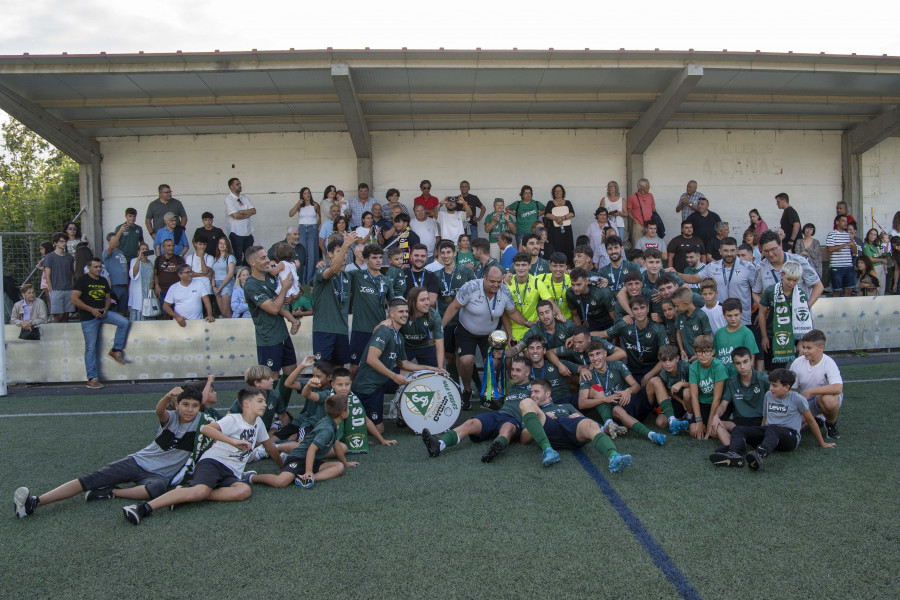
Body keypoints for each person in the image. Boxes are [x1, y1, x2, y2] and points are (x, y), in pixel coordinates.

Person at [14, 385, 204, 519]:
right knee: (90, 479)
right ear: (177, 405)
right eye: (185, 404)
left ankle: (109, 493)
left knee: (157, 489)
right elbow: (159, 410)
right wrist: (168, 395)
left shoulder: (203, 421)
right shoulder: (170, 418)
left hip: (159, 475)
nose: (190, 410)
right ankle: (34, 502)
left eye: (194, 406)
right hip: (137, 462)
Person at [121, 387, 283, 524]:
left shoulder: (258, 423)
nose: (264, 405)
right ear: (246, 404)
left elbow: (270, 447)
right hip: (213, 462)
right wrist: (232, 442)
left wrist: (283, 467)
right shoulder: (234, 419)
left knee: (243, 491)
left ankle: (185, 495)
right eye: (260, 401)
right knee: (200, 491)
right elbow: (207, 429)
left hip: (232, 472)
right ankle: (142, 508)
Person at [441, 264, 533, 409]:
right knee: (466, 361)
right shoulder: (470, 287)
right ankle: (466, 390)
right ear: (484, 278)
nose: (496, 285)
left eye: (499, 281)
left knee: (494, 361)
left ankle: (488, 394)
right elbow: (454, 307)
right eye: (492, 281)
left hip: (490, 334)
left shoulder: (504, 291)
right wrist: (441, 328)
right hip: (466, 331)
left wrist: (528, 323)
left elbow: (512, 313)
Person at [709, 368, 834, 471]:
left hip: (790, 438)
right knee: (739, 429)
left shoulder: (797, 399)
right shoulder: (769, 395)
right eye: (771, 385)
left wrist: (822, 443)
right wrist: (760, 433)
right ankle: (734, 453)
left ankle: (760, 455)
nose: (771, 388)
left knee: (773, 428)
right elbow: (765, 417)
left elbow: (811, 421)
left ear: (787, 387)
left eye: (775, 386)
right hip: (770, 432)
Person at [421, 355, 536, 463]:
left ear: (527, 372)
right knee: (470, 423)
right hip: (499, 415)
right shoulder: (513, 387)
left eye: (518, 370)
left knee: (507, 427)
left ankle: (496, 447)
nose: (514, 373)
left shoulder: (534, 389)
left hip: (514, 421)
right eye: (513, 369)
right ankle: (439, 445)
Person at [353, 298, 444, 431]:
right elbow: (371, 359)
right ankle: (351, 420)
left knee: (415, 377)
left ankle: (407, 415)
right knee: (379, 430)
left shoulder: (399, 336)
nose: (405, 314)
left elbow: (403, 363)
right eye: (401, 311)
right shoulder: (384, 331)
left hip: (382, 383)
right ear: (391, 314)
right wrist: (394, 376)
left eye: (406, 311)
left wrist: (428, 368)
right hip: (368, 386)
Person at [517, 379, 633, 472]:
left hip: (571, 428)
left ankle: (614, 456)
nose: (532, 395)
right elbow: (523, 438)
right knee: (525, 402)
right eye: (531, 392)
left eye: (536, 391)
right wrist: (540, 420)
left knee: (591, 424)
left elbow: (585, 420)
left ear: (547, 393)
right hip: (549, 428)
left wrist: (577, 417)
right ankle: (548, 451)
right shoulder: (533, 412)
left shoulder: (566, 406)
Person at [246, 394, 356, 488]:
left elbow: (335, 443)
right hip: (299, 458)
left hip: (313, 460)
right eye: (348, 407)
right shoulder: (327, 430)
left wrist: (345, 463)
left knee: (339, 467)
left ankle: (306, 478)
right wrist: (309, 470)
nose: (349, 409)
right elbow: (311, 450)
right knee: (280, 482)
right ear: (342, 413)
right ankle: (251, 477)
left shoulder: (333, 423)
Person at [578, 341, 666, 445]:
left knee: (655, 381)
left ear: (605, 354)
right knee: (616, 409)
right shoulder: (588, 375)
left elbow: (636, 386)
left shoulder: (617, 365)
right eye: (591, 355)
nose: (595, 358)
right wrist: (604, 399)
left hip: (633, 401)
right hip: (620, 411)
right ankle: (651, 434)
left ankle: (671, 418)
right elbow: (582, 403)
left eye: (598, 354)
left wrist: (628, 391)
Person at [244, 245, 301, 404]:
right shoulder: (251, 285)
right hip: (268, 338)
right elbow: (274, 309)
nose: (268, 260)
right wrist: (284, 289)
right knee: (271, 377)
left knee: (291, 373)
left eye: (266, 257)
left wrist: (289, 297)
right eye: (263, 258)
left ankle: (280, 408)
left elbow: (280, 302)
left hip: (282, 334)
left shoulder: (270, 277)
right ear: (252, 262)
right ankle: (270, 411)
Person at [71, 257, 130, 389]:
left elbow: (108, 299)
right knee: (90, 347)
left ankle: (115, 350)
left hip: (103, 313)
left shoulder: (103, 280)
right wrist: (91, 310)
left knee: (124, 322)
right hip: (88, 317)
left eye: (100, 267)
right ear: (89, 268)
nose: (98, 269)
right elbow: (74, 299)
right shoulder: (82, 280)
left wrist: (105, 309)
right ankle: (92, 378)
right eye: (96, 267)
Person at [707, 347, 768, 447]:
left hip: (760, 420)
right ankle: (734, 448)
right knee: (717, 427)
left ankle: (736, 446)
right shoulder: (732, 382)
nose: (742, 366)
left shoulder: (763, 378)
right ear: (734, 365)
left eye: (745, 362)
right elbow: (724, 404)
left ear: (751, 361)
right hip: (740, 421)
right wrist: (716, 416)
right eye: (738, 363)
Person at [758, 261, 814, 370]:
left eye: (795, 280)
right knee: (774, 370)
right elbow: (762, 313)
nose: (791, 283)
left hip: (796, 334)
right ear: (782, 275)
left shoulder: (800, 294)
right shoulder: (771, 291)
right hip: (773, 334)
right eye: (789, 279)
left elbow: (805, 318)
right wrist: (764, 336)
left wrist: (801, 341)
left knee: (799, 368)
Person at [790, 329, 844, 440]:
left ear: (821, 348)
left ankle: (830, 424)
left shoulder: (829, 363)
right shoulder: (797, 363)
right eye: (804, 347)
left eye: (809, 348)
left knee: (828, 400)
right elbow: (791, 389)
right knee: (791, 427)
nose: (805, 351)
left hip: (824, 399)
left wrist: (811, 391)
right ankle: (816, 418)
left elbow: (838, 388)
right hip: (806, 401)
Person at [312, 235, 356, 366]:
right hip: (324, 330)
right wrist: (345, 245)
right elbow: (333, 269)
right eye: (339, 251)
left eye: (345, 252)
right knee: (322, 369)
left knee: (339, 369)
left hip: (341, 331)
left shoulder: (348, 276)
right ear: (330, 254)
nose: (344, 255)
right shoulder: (321, 271)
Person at [752, 230, 824, 308]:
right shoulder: (760, 267)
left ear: (780, 245)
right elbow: (755, 293)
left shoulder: (799, 261)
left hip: (799, 315)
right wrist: (764, 310)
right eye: (766, 251)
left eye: (773, 249)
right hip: (776, 316)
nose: (770, 254)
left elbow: (818, 286)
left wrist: (806, 307)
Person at [348, 243, 390, 376]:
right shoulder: (356, 275)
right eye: (374, 258)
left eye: (380, 257)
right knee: (355, 368)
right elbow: (337, 273)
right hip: (360, 329)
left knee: (377, 366)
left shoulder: (386, 280)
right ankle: (351, 396)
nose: (378, 260)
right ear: (366, 260)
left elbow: (393, 304)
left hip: (379, 330)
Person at [687, 334, 729, 440]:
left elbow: (717, 398)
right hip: (703, 402)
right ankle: (699, 422)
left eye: (707, 351)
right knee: (694, 431)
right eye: (700, 351)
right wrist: (699, 420)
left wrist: (710, 423)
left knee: (714, 433)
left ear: (713, 352)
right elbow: (694, 395)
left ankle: (716, 425)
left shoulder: (719, 367)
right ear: (695, 353)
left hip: (716, 404)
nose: (704, 355)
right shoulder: (693, 367)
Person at [400, 286, 445, 369]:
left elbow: (439, 343)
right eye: (422, 300)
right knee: (395, 370)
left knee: (436, 371)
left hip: (425, 346)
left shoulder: (434, 315)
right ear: (412, 302)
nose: (427, 303)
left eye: (427, 299)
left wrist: (440, 368)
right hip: (405, 347)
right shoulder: (403, 313)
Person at [714, 298, 759, 375]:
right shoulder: (719, 333)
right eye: (729, 315)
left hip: (739, 378)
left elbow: (751, 361)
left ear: (741, 313)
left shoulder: (747, 333)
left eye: (736, 315)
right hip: (723, 377)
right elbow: (717, 357)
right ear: (724, 315)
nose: (733, 319)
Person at [506, 252, 542, 344]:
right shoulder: (506, 283)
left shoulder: (536, 282)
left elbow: (549, 302)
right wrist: (509, 335)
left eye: (524, 265)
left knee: (531, 354)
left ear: (530, 266)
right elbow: (504, 313)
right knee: (508, 357)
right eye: (517, 265)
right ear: (513, 266)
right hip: (513, 329)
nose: (520, 268)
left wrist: (558, 314)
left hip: (531, 328)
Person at [566, 267, 615, 333]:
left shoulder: (602, 292)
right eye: (573, 285)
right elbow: (575, 315)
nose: (575, 288)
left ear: (586, 281)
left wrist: (614, 341)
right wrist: (580, 333)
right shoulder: (570, 293)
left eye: (578, 284)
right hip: (590, 323)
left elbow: (614, 318)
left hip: (607, 322)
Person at [288, 187, 320, 284]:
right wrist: (298, 203)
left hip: (312, 228)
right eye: (305, 193)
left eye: (309, 193)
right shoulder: (300, 206)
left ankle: (310, 281)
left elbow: (321, 216)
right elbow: (290, 214)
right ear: (302, 195)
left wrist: (316, 227)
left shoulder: (315, 205)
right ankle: (302, 280)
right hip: (301, 229)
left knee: (312, 255)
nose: (307, 195)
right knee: (302, 254)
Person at [43, 232, 76, 323]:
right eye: (61, 241)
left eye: (65, 241)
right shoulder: (50, 257)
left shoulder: (69, 257)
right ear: (55, 243)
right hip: (56, 289)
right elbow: (47, 275)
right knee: (59, 315)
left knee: (66, 315)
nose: (64, 243)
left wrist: (72, 287)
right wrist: (51, 290)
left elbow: (71, 274)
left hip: (68, 289)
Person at [223, 177, 256, 265]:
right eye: (237, 184)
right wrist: (247, 214)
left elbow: (254, 210)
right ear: (231, 187)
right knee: (237, 257)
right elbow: (235, 215)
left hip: (247, 232)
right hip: (236, 232)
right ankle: (238, 275)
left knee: (249, 256)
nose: (240, 186)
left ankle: (247, 275)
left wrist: (242, 212)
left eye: (240, 184)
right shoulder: (228, 199)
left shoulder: (244, 197)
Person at [673, 287, 712, 360]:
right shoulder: (680, 315)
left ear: (686, 303)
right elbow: (678, 332)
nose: (675, 308)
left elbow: (708, 338)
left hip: (701, 357)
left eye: (677, 306)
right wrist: (682, 350)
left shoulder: (701, 316)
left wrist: (699, 355)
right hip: (686, 357)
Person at [826, 214, 858, 297]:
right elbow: (830, 249)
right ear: (837, 222)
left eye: (846, 221)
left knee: (849, 290)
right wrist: (845, 244)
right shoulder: (831, 234)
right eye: (843, 221)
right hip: (836, 267)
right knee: (837, 291)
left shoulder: (848, 235)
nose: (845, 223)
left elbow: (854, 252)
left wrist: (851, 240)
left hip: (848, 266)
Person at [543, 184, 575, 263]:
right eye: (556, 191)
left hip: (566, 229)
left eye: (559, 191)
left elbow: (572, 213)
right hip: (554, 230)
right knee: (556, 246)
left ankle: (568, 264)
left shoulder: (568, 202)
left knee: (568, 246)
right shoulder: (550, 203)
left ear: (562, 192)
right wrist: (557, 219)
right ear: (553, 193)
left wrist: (562, 218)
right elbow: (547, 214)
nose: (558, 192)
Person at [536, 252, 573, 321]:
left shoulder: (571, 280)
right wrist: (509, 275)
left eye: (561, 266)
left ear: (566, 267)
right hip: (547, 322)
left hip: (567, 321)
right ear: (550, 267)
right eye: (555, 266)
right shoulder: (540, 279)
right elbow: (526, 279)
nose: (558, 269)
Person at [101, 231, 130, 316]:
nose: (116, 241)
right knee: (114, 310)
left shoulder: (121, 252)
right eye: (114, 239)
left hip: (124, 285)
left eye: (117, 239)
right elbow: (111, 247)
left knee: (123, 310)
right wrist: (121, 231)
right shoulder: (107, 251)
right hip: (114, 285)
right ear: (108, 242)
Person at [210, 236, 236, 318]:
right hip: (217, 284)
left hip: (226, 284)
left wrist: (220, 287)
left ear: (228, 245)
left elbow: (230, 274)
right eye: (220, 243)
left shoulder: (230, 257)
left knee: (226, 311)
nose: (222, 245)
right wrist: (213, 286)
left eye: (224, 244)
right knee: (222, 312)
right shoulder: (216, 258)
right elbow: (213, 274)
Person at [128, 242, 155, 321]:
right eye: (142, 249)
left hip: (148, 290)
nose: (145, 251)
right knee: (139, 307)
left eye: (146, 249)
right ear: (138, 251)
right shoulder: (134, 261)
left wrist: (153, 282)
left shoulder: (151, 262)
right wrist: (138, 259)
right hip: (139, 290)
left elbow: (152, 275)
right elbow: (133, 274)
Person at [627, 178, 656, 244]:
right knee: (637, 243)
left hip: (649, 224)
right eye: (648, 185)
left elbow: (653, 209)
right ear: (642, 187)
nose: (649, 187)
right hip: (638, 224)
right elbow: (629, 211)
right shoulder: (632, 197)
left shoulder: (650, 196)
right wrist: (634, 220)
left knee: (650, 243)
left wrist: (655, 219)